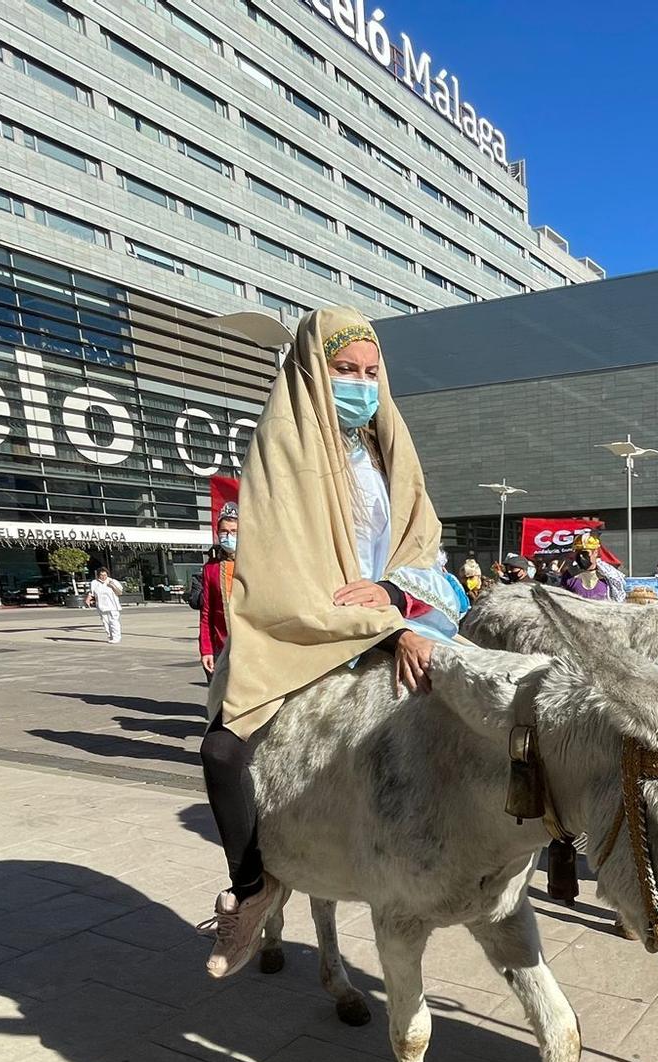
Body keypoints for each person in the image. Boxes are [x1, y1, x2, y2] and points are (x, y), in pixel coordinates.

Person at [199, 307, 462, 979]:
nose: (361, 385)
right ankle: (252, 886)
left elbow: (424, 546)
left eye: (372, 373)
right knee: (223, 750)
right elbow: (287, 573)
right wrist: (383, 621)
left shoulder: (386, 449)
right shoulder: (282, 447)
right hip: (305, 628)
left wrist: (400, 601)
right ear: (315, 371)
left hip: (396, 616)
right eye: (346, 371)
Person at [197, 502, 238, 682]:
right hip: (222, 646)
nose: (228, 536)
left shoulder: (257, 565)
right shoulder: (211, 569)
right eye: (224, 531)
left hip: (254, 648)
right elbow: (207, 614)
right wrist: (206, 649)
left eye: (234, 531)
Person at [560, 534, 617, 600]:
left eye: (585, 553)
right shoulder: (569, 576)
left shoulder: (608, 576)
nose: (581, 556)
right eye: (578, 552)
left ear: (595, 552)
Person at [85, 567, 123, 642]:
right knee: (106, 622)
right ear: (98, 575)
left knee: (114, 621)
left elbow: (120, 592)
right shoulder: (94, 583)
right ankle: (110, 636)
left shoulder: (112, 581)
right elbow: (92, 593)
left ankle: (116, 637)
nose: (103, 577)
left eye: (105, 575)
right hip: (101, 606)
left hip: (113, 605)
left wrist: (112, 586)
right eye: (101, 575)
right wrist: (88, 599)